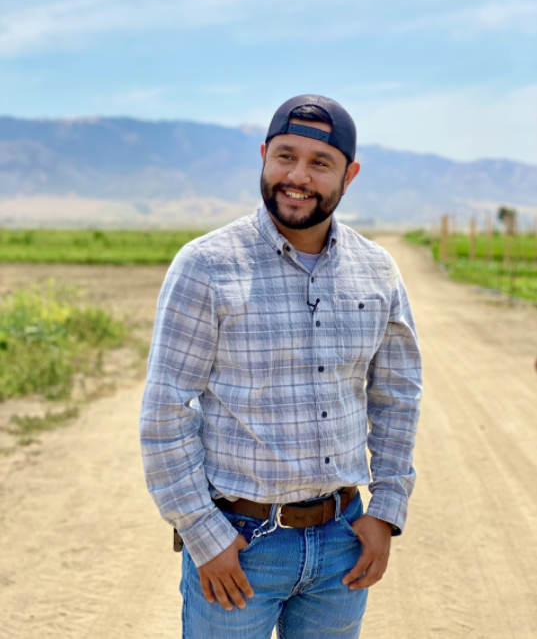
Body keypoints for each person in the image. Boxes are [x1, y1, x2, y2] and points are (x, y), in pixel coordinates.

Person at [140, 94, 422, 638]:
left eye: (320, 163)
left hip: (342, 545)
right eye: (286, 156)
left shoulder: (378, 270)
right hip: (239, 544)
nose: (298, 176)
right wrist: (203, 534)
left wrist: (386, 511)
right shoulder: (206, 266)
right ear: (264, 156)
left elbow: (397, 397)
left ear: (349, 175)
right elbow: (165, 411)